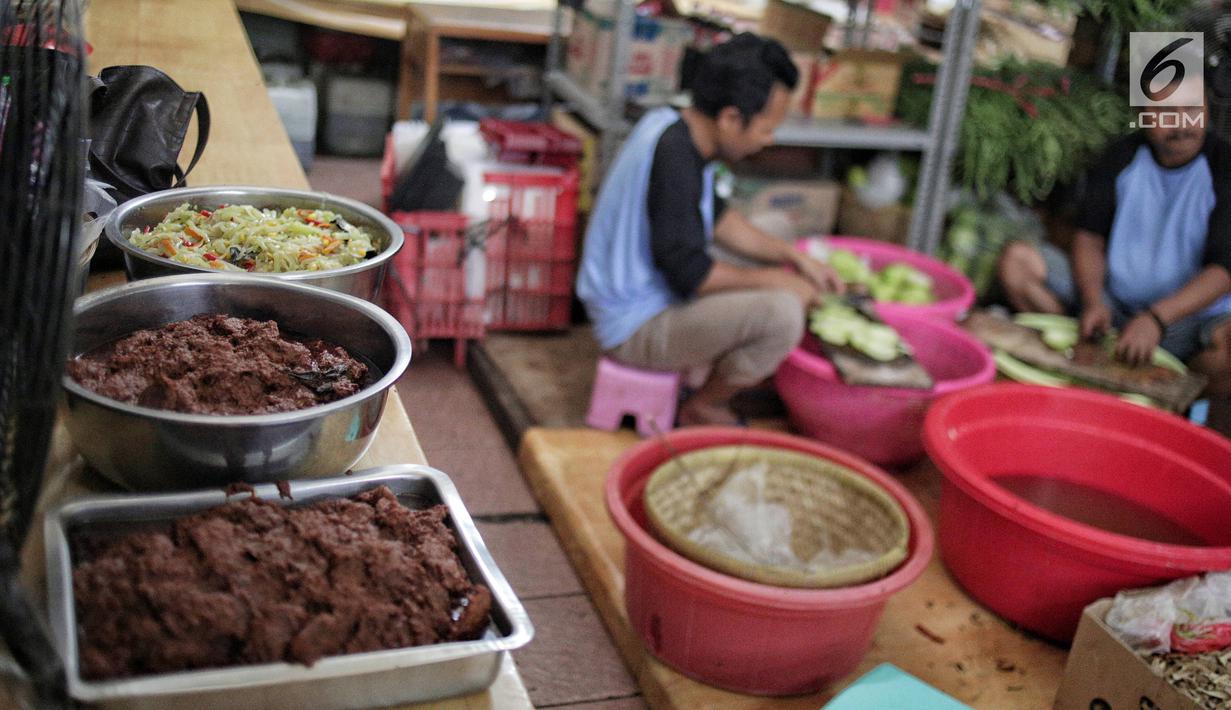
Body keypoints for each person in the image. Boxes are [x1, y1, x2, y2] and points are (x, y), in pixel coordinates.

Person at [576, 33, 844, 427]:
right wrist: (776, 282)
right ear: (731, 118)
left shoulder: (678, 126)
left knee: (776, 229)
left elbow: (718, 219)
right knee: (783, 313)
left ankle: (718, 359)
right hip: (634, 327)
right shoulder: (676, 161)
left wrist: (794, 259)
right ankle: (706, 403)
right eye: (766, 129)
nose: (769, 142)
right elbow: (690, 275)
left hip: (657, 287)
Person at [998, 83, 1231, 394]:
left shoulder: (1224, 167)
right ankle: (1088, 354)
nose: (1181, 124)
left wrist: (1156, 320)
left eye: (1192, 109)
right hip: (1113, 305)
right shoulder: (1121, 156)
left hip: (1185, 321)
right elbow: (1089, 238)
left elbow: (1223, 272)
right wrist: (1094, 300)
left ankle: (1167, 391)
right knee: (1017, 262)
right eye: (1165, 112)